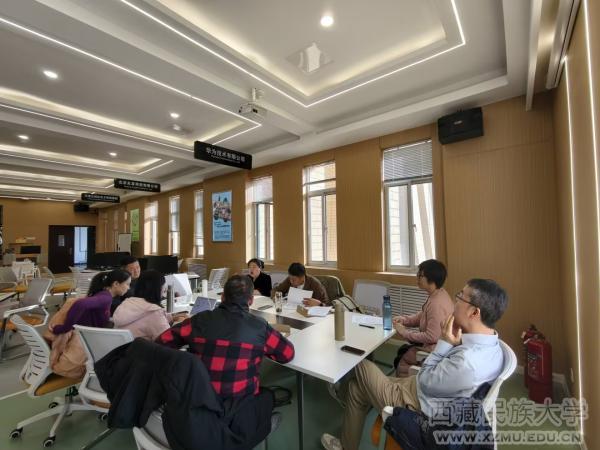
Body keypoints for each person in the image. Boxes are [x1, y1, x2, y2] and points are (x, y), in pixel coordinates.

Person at [321, 278, 509, 450]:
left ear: (474, 312)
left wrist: (444, 343)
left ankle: (341, 394)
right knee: (356, 388)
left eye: (460, 297)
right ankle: (346, 445)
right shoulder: (491, 345)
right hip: (429, 392)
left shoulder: (468, 363)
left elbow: (425, 381)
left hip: (418, 405)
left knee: (358, 362)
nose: (455, 301)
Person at [156, 275, 295, 398]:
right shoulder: (259, 327)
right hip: (241, 401)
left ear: (222, 297)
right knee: (267, 397)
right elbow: (287, 354)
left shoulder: (198, 320)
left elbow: (161, 342)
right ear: (251, 300)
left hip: (199, 398)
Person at [47, 269, 131, 378]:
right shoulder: (105, 298)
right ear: (116, 284)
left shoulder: (102, 293)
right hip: (86, 341)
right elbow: (80, 304)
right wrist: (64, 328)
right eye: (127, 284)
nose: (129, 288)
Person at [392, 259, 454, 376]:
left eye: (420, 276)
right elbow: (423, 315)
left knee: (400, 359)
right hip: (435, 346)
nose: (417, 278)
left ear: (431, 279)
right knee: (402, 350)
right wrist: (404, 320)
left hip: (434, 350)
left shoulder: (436, 304)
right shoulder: (439, 293)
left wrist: (405, 333)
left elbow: (431, 336)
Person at [113, 269, 188, 340]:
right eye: (163, 287)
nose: (164, 290)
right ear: (158, 289)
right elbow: (167, 340)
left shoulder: (127, 303)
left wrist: (171, 318)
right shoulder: (154, 312)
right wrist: (178, 323)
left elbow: (144, 320)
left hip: (119, 348)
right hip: (141, 349)